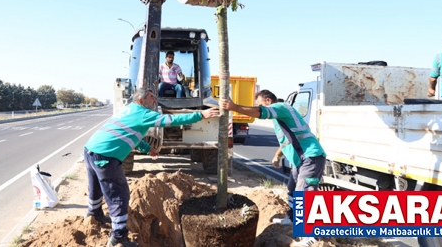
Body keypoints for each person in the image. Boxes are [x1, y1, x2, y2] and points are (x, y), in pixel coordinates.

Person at [84, 88, 219, 247]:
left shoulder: (129, 110)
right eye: (151, 97)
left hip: (90, 151)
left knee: (96, 188)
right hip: (106, 157)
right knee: (119, 194)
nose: (155, 99)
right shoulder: (143, 114)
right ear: (141, 100)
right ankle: (118, 237)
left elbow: (131, 135)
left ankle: (94, 214)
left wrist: (148, 149)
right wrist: (200, 115)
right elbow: (169, 120)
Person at [220, 89, 325, 247]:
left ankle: (311, 236)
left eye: (261, 103)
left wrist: (234, 107)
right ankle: (291, 218)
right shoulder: (280, 119)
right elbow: (286, 142)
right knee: (292, 190)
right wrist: (278, 155)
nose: (259, 107)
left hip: (311, 157)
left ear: (268, 101)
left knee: (305, 194)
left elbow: (259, 112)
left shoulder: (280, 108)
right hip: (300, 160)